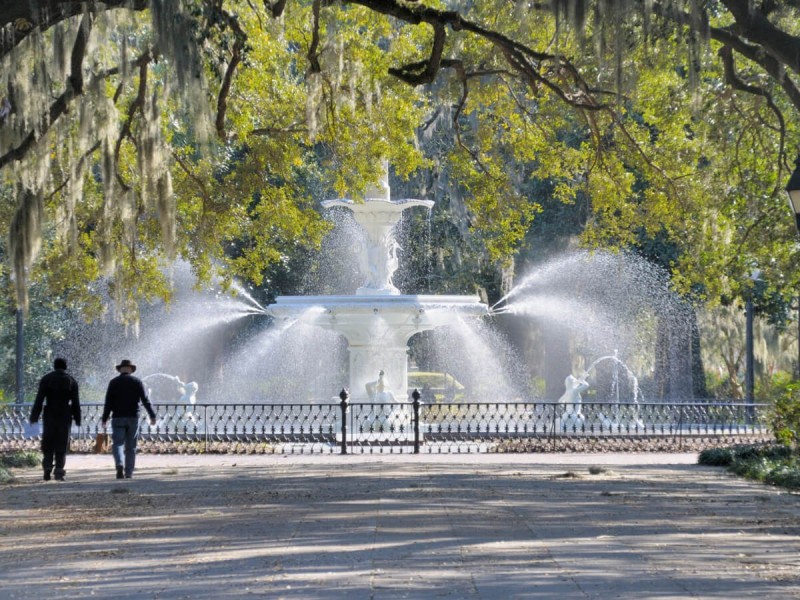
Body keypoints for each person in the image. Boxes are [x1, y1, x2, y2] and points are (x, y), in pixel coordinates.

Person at [101, 359, 157, 479]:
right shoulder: (137, 382)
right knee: (131, 446)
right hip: (133, 417)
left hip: (117, 417)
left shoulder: (113, 382)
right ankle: (129, 472)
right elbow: (145, 400)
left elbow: (108, 402)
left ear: (120, 369)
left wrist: (104, 418)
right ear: (131, 369)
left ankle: (119, 464)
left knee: (118, 444)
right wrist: (152, 415)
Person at [29, 357, 80, 481]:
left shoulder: (46, 379)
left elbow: (39, 399)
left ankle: (47, 467)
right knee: (62, 442)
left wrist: (34, 416)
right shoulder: (71, 380)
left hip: (50, 413)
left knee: (48, 441)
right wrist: (77, 418)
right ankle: (59, 471)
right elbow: (75, 402)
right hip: (65, 414)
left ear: (54, 366)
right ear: (65, 366)